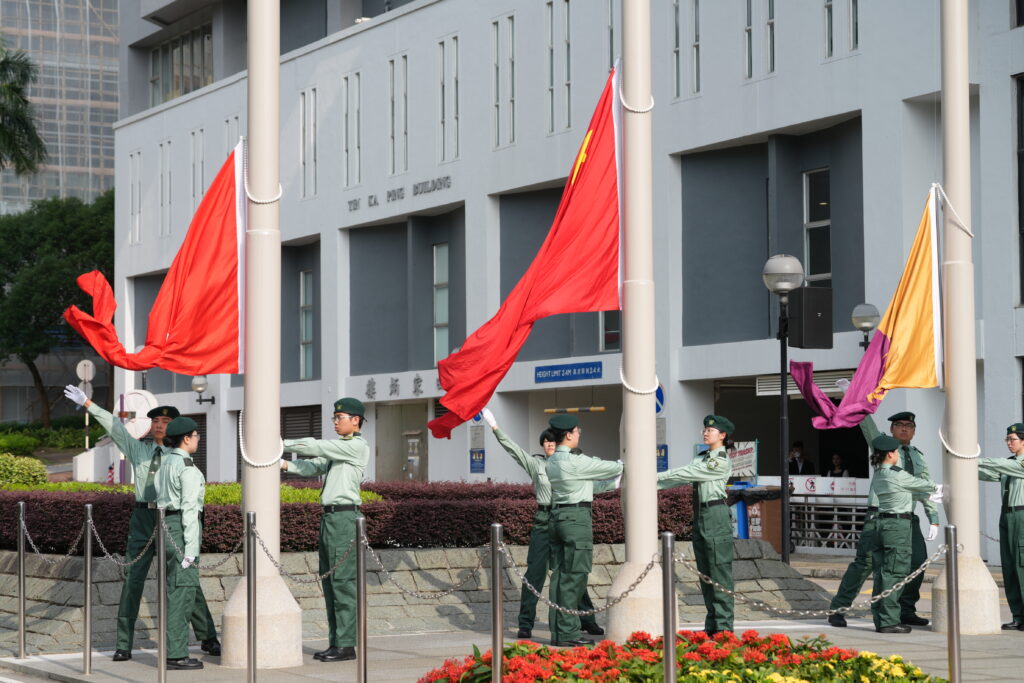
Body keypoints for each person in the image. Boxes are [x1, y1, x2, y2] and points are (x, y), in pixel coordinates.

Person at [62, 386, 220, 661]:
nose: (159, 426)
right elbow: (115, 428)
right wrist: (88, 403)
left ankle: (207, 636)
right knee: (133, 580)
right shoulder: (139, 449)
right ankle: (124, 643)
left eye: (165, 422)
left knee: (185, 581)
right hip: (144, 518)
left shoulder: (178, 458)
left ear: (176, 430)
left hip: (171, 517)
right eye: (155, 421)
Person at [480, 409, 606, 640]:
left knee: (571, 572)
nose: (549, 444)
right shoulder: (537, 464)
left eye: (552, 440)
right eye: (545, 441)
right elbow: (514, 450)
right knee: (536, 574)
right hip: (543, 520)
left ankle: (586, 620)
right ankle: (525, 623)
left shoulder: (570, 463)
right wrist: (495, 428)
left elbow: (591, 488)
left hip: (564, 517)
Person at [279, 397, 369, 662]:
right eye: (334, 417)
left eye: (339, 418)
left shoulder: (356, 447)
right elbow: (313, 465)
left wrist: (282, 443)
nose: (335, 422)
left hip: (344, 518)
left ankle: (346, 644)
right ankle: (337, 642)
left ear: (355, 420)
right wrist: (284, 464)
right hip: (330, 519)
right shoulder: (340, 448)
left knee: (343, 582)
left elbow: (315, 446)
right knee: (330, 582)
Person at [544, 414, 623, 647]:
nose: (579, 435)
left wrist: (614, 484)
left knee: (559, 577)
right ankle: (568, 633)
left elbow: (588, 484)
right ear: (568, 434)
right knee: (574, 577)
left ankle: (559, 632)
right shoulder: (575, 462)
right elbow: (611, 467)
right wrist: (627, 463)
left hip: (557, 517)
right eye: (578, 431)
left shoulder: (553, 461)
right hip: (576, 520)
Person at [657, 414, 735, 635]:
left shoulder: (719, 460)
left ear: (722, 435)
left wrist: (652, 477)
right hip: (701, 514)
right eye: (705, 429)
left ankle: (724, 629)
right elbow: (679, 478)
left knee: (719, 573)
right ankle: (712, 626)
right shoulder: (701, 457)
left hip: (716, 514)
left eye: (711, 430)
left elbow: (686, 473)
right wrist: (651, 481)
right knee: (705, 574)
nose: (705, 432)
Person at [859, 411, 937, 626]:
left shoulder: (918, 455)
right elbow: (869, 429)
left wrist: (933, 516)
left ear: (914, 430)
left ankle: (906, 609)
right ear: (892, 429)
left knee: (917, 563)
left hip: (908, 517)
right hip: (882, 516)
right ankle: (874, 613)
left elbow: (924, 485)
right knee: (878, 567)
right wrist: (857, 400)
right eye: (899, 424)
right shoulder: (884, 449)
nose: (904, 428)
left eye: (909, 425)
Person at [156, 416, 208, 669]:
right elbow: (189, 510)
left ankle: (207, 637)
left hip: (166, 527)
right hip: (181, 530)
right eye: (196, 436)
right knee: (181, 595)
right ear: (186, 438)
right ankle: (176, 654)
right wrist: (191, 549)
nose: (198, 439)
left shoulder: (165, 463)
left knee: (181, 589)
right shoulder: (186, 468)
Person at [977, 422, 1024, 630]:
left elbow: (997, 466)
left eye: (1012, 440)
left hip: (1021, 516)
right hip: (1006, 517)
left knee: (1021, 565)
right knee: (1009, 566)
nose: (1008, 443)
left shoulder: (1018, 464)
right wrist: (963, 464)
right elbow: (990, 473)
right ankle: (1018, 616)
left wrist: (973, 458)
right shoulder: (1009, 463)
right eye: (1007, 439)